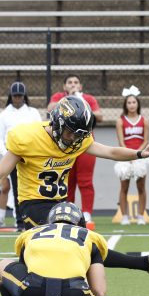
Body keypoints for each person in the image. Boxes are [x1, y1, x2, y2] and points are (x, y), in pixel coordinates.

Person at [0, 95, 149, 278]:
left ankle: (145, 264)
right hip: (34, 205)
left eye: (78, 136)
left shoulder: (77, 139)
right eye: (70, 133)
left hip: (62, 206)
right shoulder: (27, 137)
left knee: (88, 246)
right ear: (58, 123)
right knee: (63, 252)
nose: (73, 139)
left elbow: (110, 152)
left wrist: (139, 153)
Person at [0, 201, 127, 296]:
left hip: (33, 294)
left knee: (3, 267)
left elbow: (23, 268)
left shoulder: (30, 233)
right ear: (80, 222)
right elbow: (100, 291)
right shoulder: (90, 236)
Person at [48, 74, 102, 226]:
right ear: (64, 86)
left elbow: (100, 115)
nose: (73, 85)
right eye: (70, 82)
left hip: (84, 144)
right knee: (67, 180)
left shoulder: (88, 98)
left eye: (76, 82)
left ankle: (87, 214)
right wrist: (69, 100)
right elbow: (50, 109)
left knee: (85, 180)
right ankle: (68, 213)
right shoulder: (59, 97)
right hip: (66, 144)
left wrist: (80, 100)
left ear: (81, 86)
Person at [0, 81, 41, 227]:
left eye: (20, 96)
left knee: (32, 188)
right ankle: (20, 221)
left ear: (24, 96)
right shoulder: (4, 114)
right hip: (12, 156)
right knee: (16, 189)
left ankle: (35, 219)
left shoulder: (33, 112)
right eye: (15, 96)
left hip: (30, 156)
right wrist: (6, 154)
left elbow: (40, 132)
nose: (18, 98)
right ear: (11, 96)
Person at [114, 87, 149, 225]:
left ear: (138, 104)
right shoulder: (120, 121)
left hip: (140, 156)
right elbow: (121, 141)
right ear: (125, 105)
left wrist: (138, 154)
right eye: (129, 102)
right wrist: (129, 155)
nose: (132, 105)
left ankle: (141, 216)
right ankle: (124, 217)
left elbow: (146, 140)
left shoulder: (144, 121)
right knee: (124, 187)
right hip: (125, 157)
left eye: (134, 102)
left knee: (141, 187)